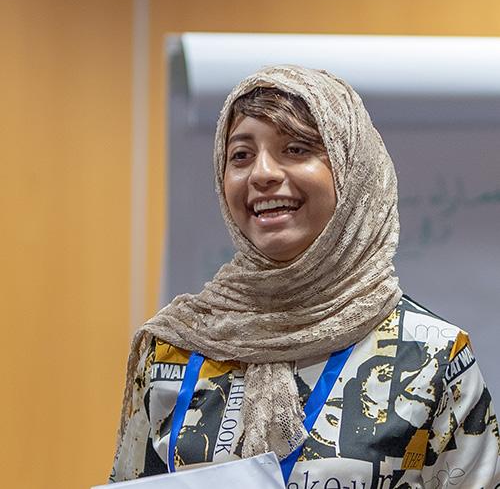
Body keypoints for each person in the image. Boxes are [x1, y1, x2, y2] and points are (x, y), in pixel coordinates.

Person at [110, 65, 500, 487]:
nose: (261, 174)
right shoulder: (172, 348)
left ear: (354, 170)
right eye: (240, 155)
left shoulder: (434, 354)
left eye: (295, 149)